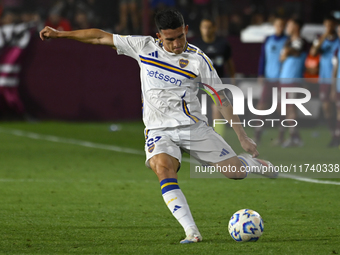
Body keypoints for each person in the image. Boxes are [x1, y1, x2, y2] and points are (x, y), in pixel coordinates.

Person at [39, 8, 277, 244]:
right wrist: (60, 34)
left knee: (234, 172)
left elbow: (221, 99)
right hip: (159, 130)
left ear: (185, 30)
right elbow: (100, 36)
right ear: (158, 36)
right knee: (163, 169)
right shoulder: (143, 47)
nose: (176, 44)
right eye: (169, 39)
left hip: (193, 128)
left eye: (180, 37)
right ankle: (191, 232)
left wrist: (242, 137)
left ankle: (253, 164)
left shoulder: (198, 60)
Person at [191, 17, 235, 137]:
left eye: (209, 27)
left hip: (217, 83)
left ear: (214, 28)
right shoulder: (195, 46)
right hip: (200, 84)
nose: (206, 30)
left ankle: (219, 140)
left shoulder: (223, 44)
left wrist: (232, 78)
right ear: (200, 28)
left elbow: (229, 63)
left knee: (218, 111)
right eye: (204, 27)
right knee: (198, 113)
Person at [255, 16, 288, 144]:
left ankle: (281, 137)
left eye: (282, 25)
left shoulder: (288, 41)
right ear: (274, 26)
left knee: (282, 108)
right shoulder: (268, 40)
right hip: (269, 78)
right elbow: (263, 57)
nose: (280, 27)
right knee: (262, 106)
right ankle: (257, 136)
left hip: (282, 79)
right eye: (278, 25)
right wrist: (260, 73)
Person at [310, 15, 339, 147]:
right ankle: (334, 134)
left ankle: (337, 135)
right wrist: (323, 36)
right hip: (324, 78)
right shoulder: (320, 39)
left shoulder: (338, 40)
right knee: (327, 107)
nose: (329, 27)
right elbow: (314, 52)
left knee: (337, 107)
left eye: (331, 25)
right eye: (326, 25)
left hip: (337, 79)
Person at [279, 17, 307, 147]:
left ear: (296, 26)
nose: (287, 27)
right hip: (284, 80)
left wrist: (287, 52)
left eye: (289, 25)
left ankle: (294, 138)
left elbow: (293, 52)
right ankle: (294, 136)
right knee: (285, 108)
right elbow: (282, 57)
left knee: (291, 108)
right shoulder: (288, 42)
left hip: (294, 80)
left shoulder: (301, 42)